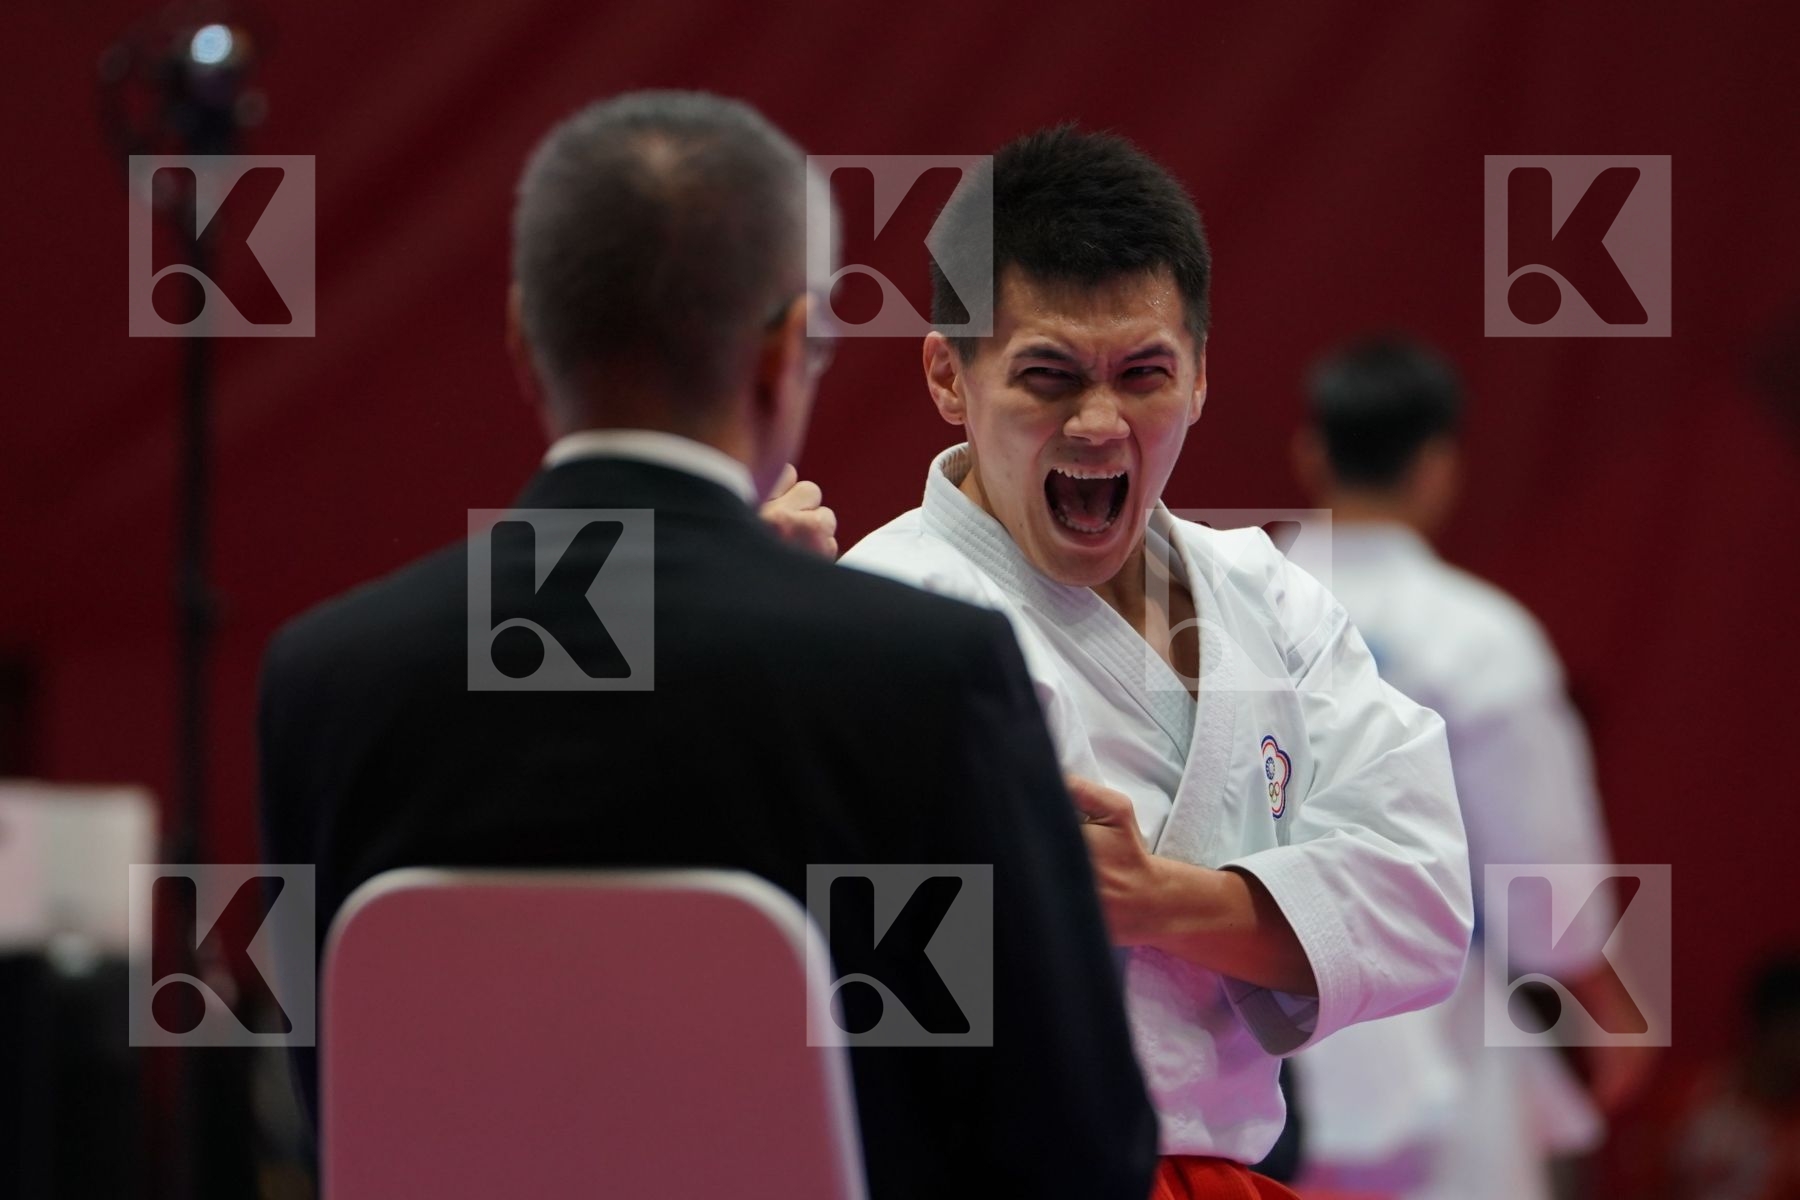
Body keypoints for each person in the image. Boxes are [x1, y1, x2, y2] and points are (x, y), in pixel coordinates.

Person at [258, 92, 1157, 1199]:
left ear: (524, 343)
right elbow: (1075, 1147)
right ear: (788, 352)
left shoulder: (326, 678)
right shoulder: (929, 676)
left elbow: (338, 1111)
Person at [840, 126, 1472, 1198]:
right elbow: (878, 990)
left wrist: (1155, 900)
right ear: (949, 375)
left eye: (1144, 375)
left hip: (1234, 1172)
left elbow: (1424, 903)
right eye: (1047, 377)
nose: (1099, 423)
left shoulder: (1265, 594)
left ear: (1202, 377)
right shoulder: (883, 612)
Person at [1287, 336, 1654, 1199]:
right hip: (1436, 1042)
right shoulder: (1481, 638)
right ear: (1436, 465)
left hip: (1245, 1046)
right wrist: (1606, 1013)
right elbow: (1542, 879)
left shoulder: (1218, 611)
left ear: (1310, 454)